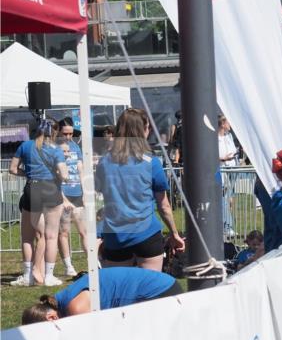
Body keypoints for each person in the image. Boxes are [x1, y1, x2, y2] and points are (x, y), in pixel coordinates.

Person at [96, 108, 185, 272]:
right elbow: (163, 205)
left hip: (115, 236)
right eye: (148, 127)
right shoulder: (151, 162)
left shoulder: (104, 162)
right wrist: (174, 233)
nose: (149, 131)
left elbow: (101, 193)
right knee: (150, 291)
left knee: (120, 291)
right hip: (146, 235)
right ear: (142, 129)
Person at [9, 120, 69, 286]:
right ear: (53, 133)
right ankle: (49, 276)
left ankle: (28, 275)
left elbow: (13, 169)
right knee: (51, 236)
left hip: (32, 188)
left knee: (27, 237)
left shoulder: (25, 146)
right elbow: (64, 174)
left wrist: (28, 174)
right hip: (50, 190)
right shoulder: (56, 149)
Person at [21, 267, 182, 323]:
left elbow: (95, 339)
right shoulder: (63, 298)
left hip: (161, 293)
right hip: (162, 286)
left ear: (51, 318)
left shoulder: (76, 308)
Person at [56, 119, 88, 277]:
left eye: (71, 133)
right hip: (62, 193)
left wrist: (86, 191)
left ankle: (93, 263)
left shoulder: (76, 147)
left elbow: (81, 170)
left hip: (77, 194)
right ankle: (68, 266)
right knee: (64, 232)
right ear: (58, 132)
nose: (69, 137)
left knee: (84, 231)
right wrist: (62, 199)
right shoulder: (54, 148)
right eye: (65, 133)